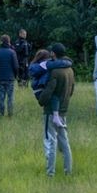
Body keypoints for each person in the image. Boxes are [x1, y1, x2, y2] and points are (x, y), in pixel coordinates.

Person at [37, 43, 75, 177]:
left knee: (51, 141)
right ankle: (68, 171)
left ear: (53, 54)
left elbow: (49, 92)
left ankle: (50, 173)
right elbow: (71, 90)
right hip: (64, 110)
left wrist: (41, 100)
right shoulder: (70, 70)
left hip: (51, 112)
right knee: (64, 142)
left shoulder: (55, 71)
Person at [0, 35, 18, 116]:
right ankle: (10, 114)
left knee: (1, 97)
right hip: (10, 78)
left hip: (1, 78)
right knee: (10, 97)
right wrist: (15, 75)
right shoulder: (12, 52)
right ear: (8, 41)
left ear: (1, 42)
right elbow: (16, 66)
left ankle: (1, 113)